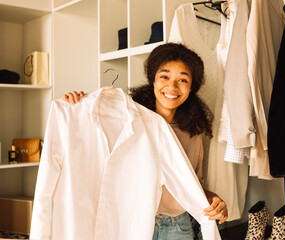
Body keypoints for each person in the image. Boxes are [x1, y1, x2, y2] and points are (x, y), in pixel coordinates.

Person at [61, 43, 228, 239]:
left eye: (182, 80)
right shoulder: (126, 119)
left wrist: (213, 200)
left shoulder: (192, 132)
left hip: (177, 226)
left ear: (191, 88)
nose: (172, 87)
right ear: (153, 80)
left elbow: (193, 184)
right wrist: (77, 106)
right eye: (164, 76)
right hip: (132, 222)